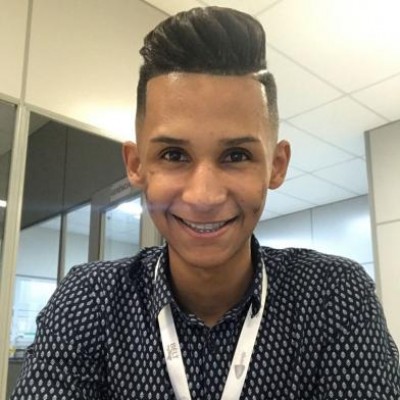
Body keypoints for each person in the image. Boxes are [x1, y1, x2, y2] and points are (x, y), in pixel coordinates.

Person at [11, 6, 399, 400]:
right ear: (136, 165)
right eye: (174, 155)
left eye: (236, 155)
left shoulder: (333, 295)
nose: (204, 196)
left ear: (276, 165)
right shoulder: (90, 299)